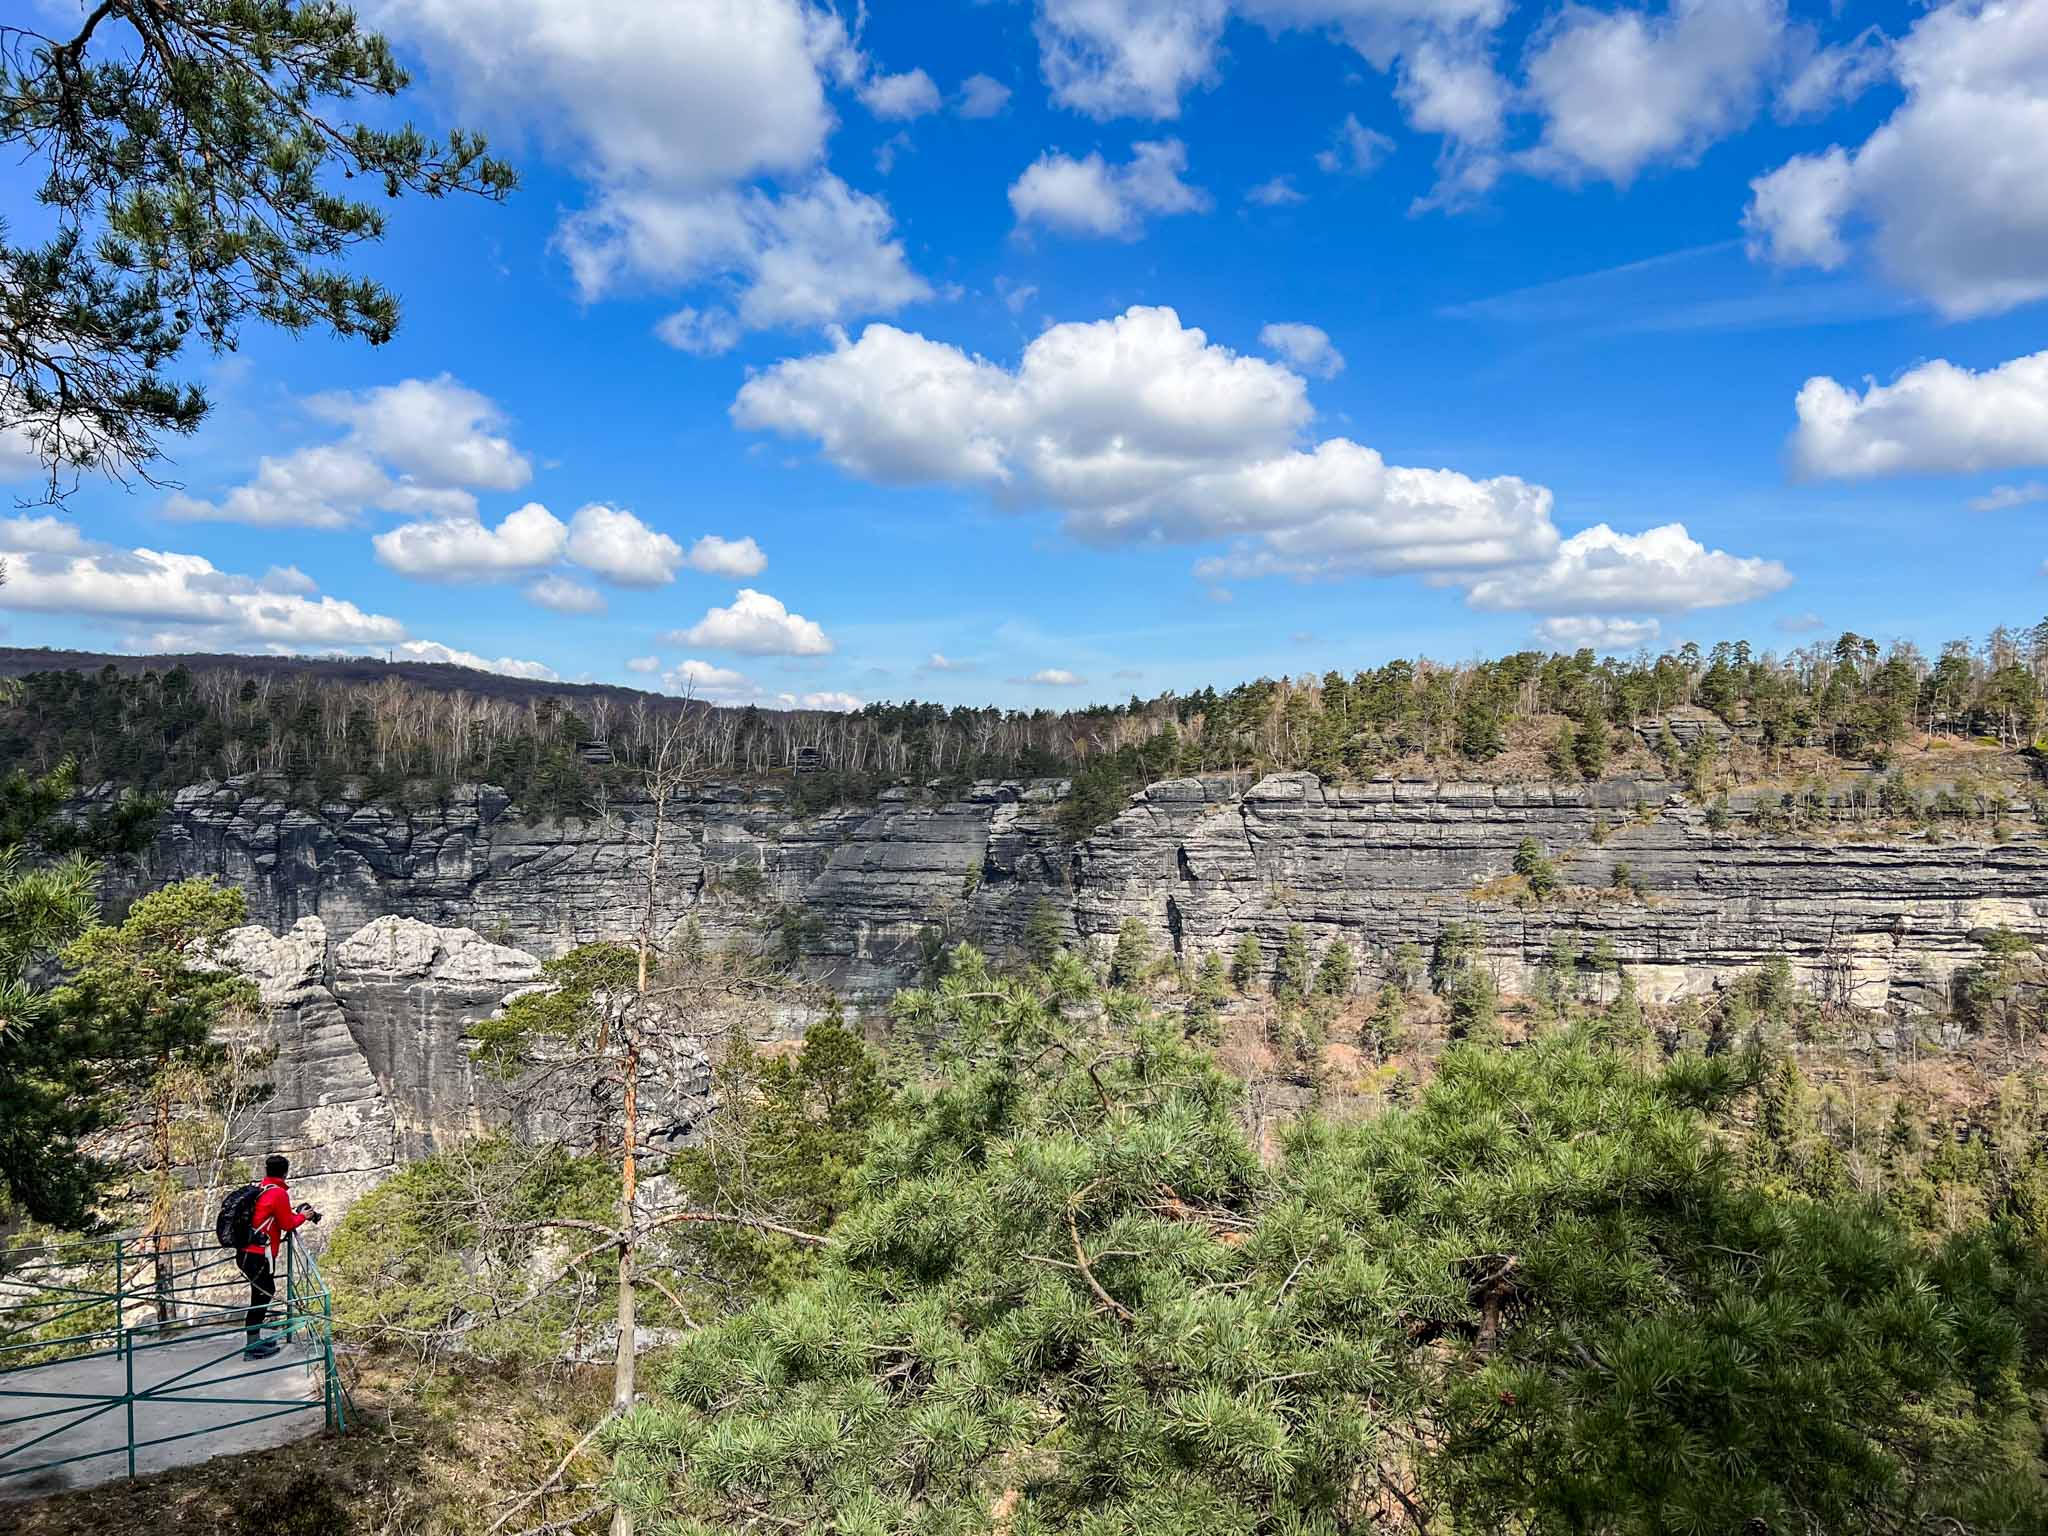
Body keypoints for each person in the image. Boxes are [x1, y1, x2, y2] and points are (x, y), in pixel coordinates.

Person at [238, 1154, 320, 1359]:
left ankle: (255, 1341)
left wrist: (294, 1214)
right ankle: (251, 1348)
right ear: (285, 1172)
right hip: (257, 1255)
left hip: (246, 1252)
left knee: (262, 1294)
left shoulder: (263, 1188)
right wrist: (304, 1216)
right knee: (262, 1296)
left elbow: (277, 1217)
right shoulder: (278, 1194)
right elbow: (287, 1224)